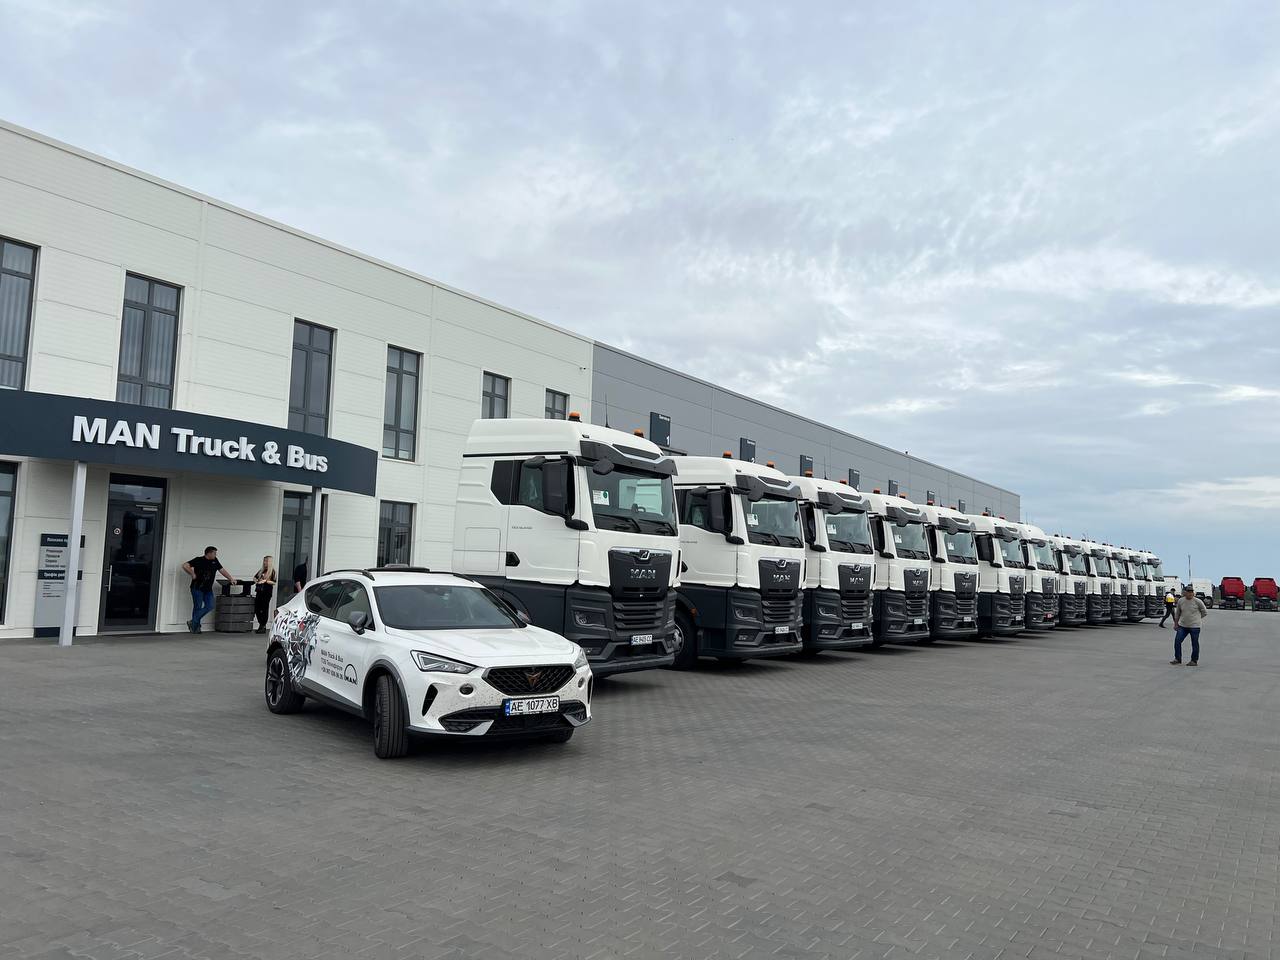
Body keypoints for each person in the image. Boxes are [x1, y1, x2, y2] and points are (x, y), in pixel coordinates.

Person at [182, 547, 237, 633]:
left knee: (210, 605)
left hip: (208, 589)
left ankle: (193, 622)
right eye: (214, 553)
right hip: (197, 588)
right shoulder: (198, 560)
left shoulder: (215, 561)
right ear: (209, 553)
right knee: (197, 607)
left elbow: (222, 570)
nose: (216, 555)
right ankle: (195, 628)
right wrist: (192, 574)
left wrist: (231, 578)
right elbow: (185, 565)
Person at [1170, 584, 1208, 666]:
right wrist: (1176, 624)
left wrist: (1197, 618)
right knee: (1177, 641)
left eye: (1192, 592)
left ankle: (1194, 660)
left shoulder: (1198, 601)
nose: (1190, 593)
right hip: (1182, 626)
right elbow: (1177, 613)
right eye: (1188, 592)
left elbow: (1204, 612)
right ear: (1185, 593)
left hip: (1195, 626)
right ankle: (1177, 658)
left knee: (1194, 643)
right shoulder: (1181, 601)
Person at [253, 556, 277, 634]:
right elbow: (254, 578)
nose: (264, 562)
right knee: (257, 608)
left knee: (264, 609)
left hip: (267, 592)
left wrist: (266, 581)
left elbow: (274, 582)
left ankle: (263, 625)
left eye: (266, 561)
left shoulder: (272, 571)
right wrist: (257, 580)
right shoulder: (261, 570)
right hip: (259, 591)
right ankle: (261, 623)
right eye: (264, 561)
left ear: (269, 562)